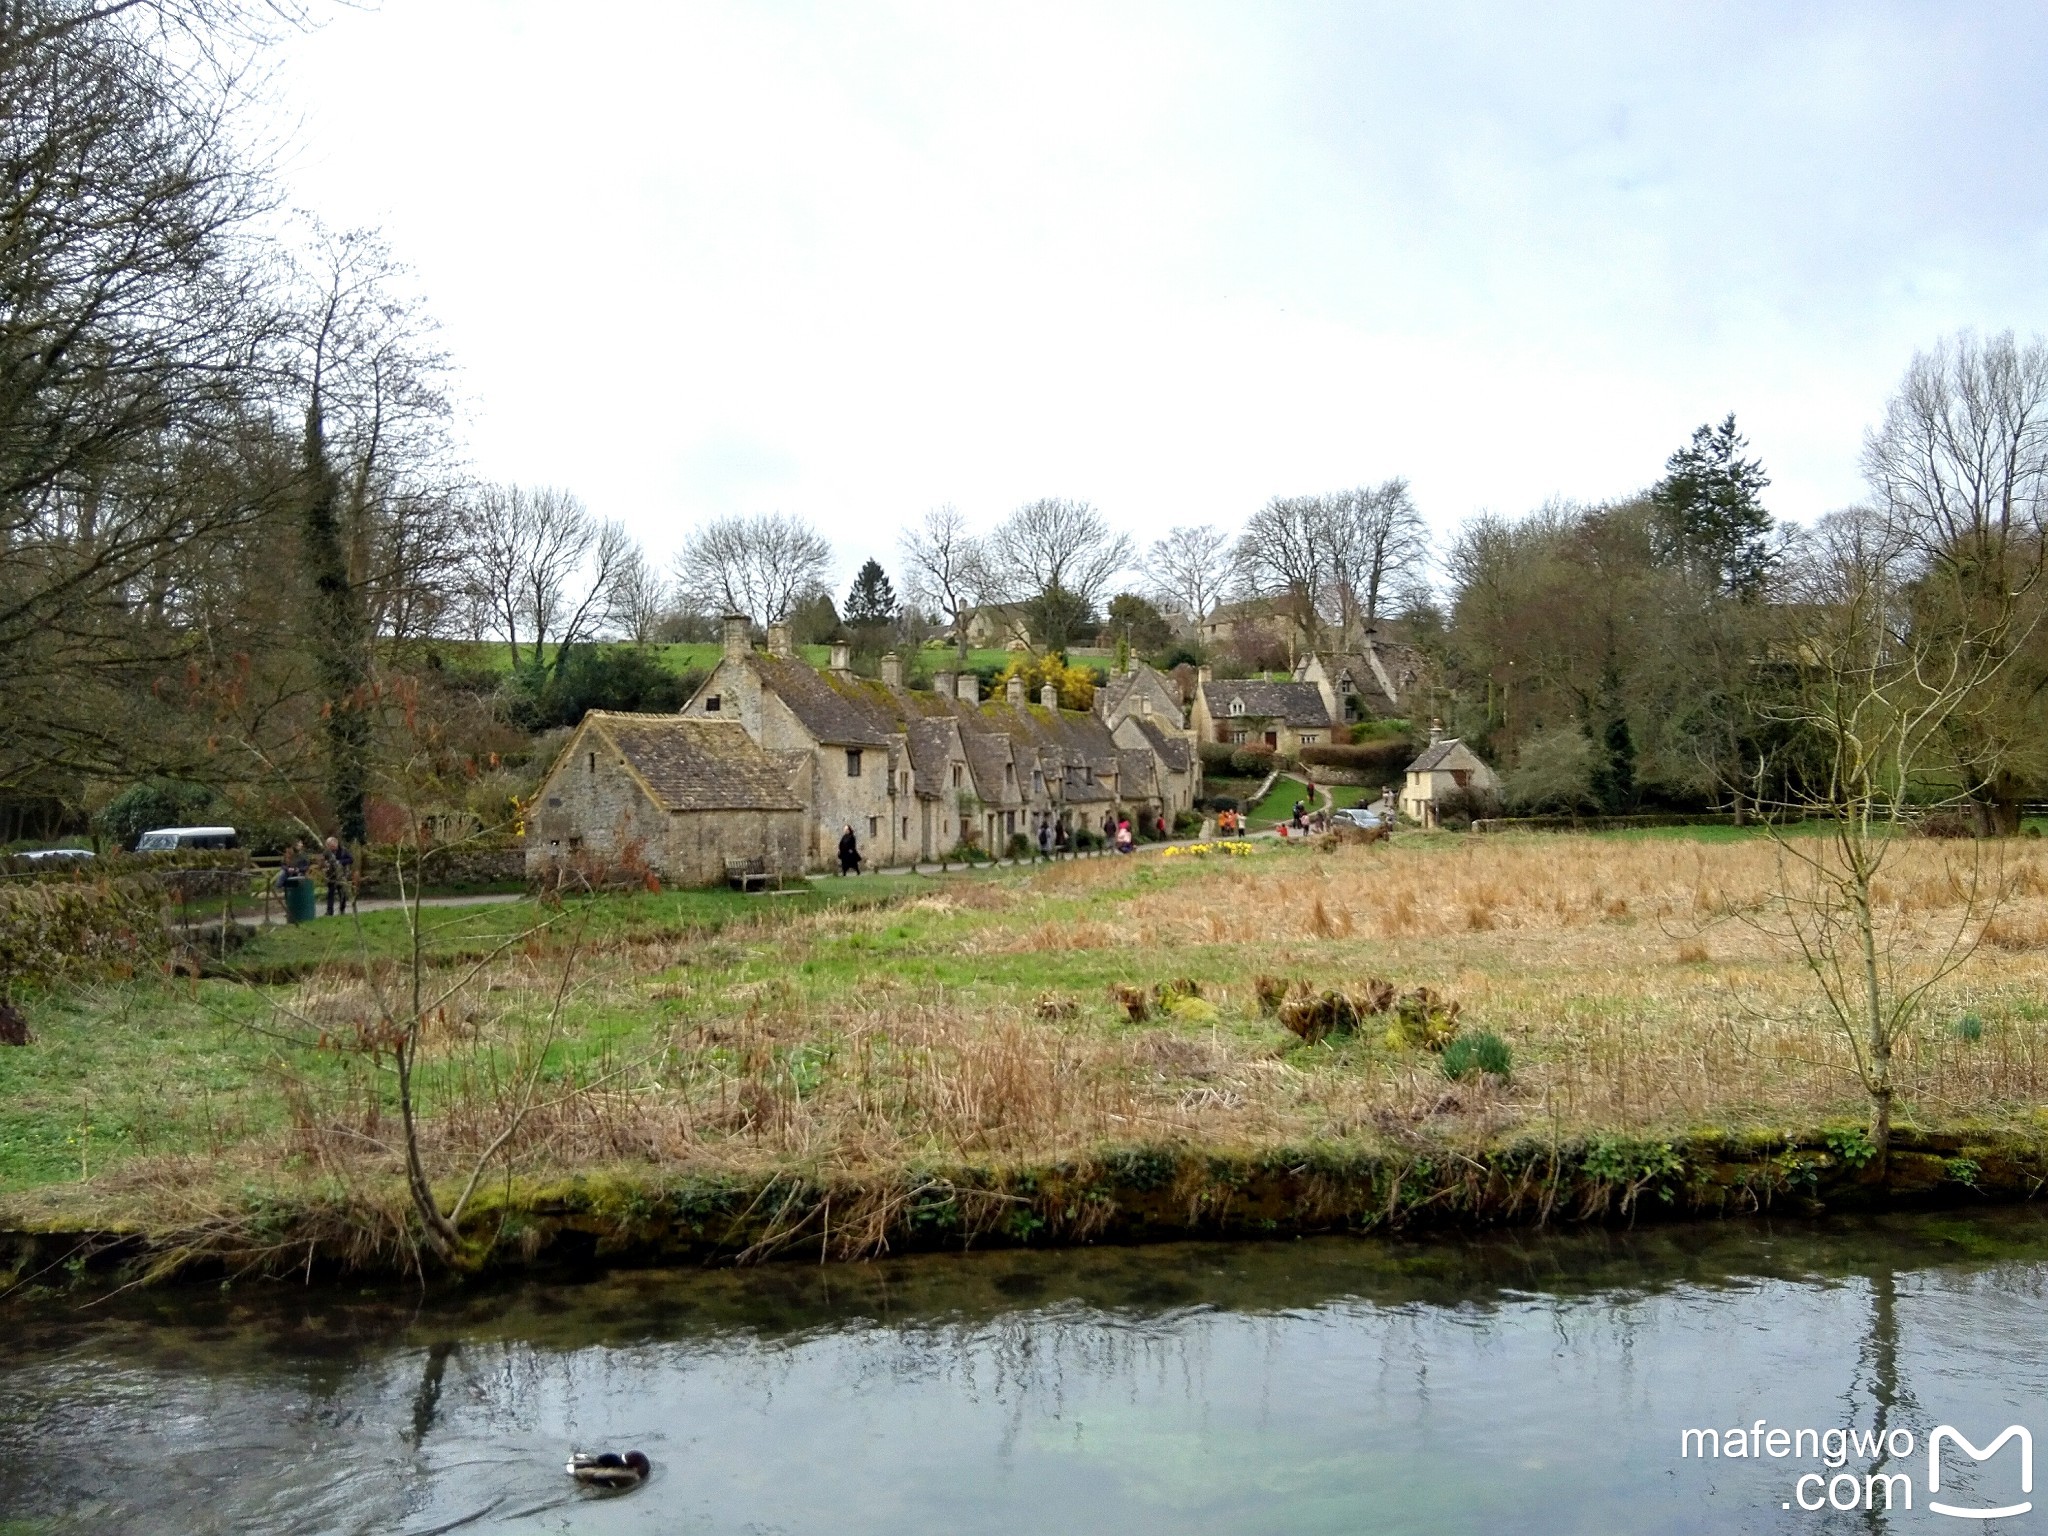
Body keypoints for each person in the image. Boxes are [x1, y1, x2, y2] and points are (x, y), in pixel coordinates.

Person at [321, 835, 355, 917]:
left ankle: (342, 909)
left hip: (341, 874)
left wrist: (340, 862)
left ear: (336, 843)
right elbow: (323, 862)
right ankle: (329, 911)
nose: (330, 848)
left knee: (342, 893)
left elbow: (351, 859)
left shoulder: (343, 851)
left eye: (331, 846)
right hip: (331, 875)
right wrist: (325, 865)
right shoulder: (327, 852)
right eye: (329, 846)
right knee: (330, 893)